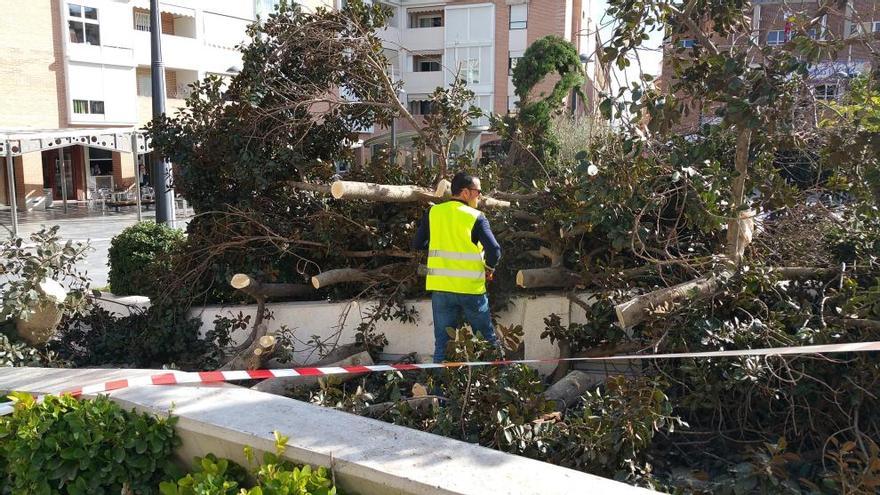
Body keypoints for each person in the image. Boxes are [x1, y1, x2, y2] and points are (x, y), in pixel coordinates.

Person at [412, 172, 502, 362]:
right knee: (487, 341)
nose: (480, 196)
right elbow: (494, 249)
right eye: (478, 192)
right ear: (465, 193)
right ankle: (500, 386)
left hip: (441, 290)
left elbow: (417, 244)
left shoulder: (433, 213)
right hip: (471, 289)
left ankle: (437, 390)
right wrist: (489, 268)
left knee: (443, 345)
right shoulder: (476, 217)